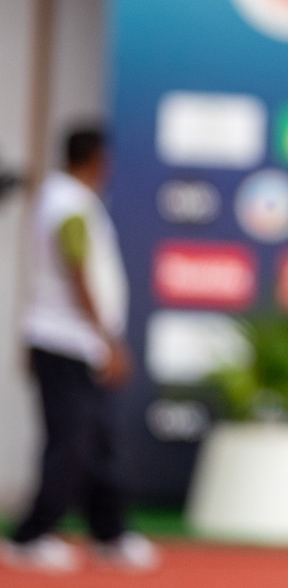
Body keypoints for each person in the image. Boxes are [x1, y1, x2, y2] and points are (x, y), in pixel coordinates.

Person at [3, 127, 158, 572]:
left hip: (76, 343)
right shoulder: (68, 204)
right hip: (66, 342)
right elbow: (78, 272)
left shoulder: (69, 201)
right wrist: (107, 339)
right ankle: (29, 536)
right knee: (69, 443)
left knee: (101, 441)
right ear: (96, 158)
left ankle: (109, 532)